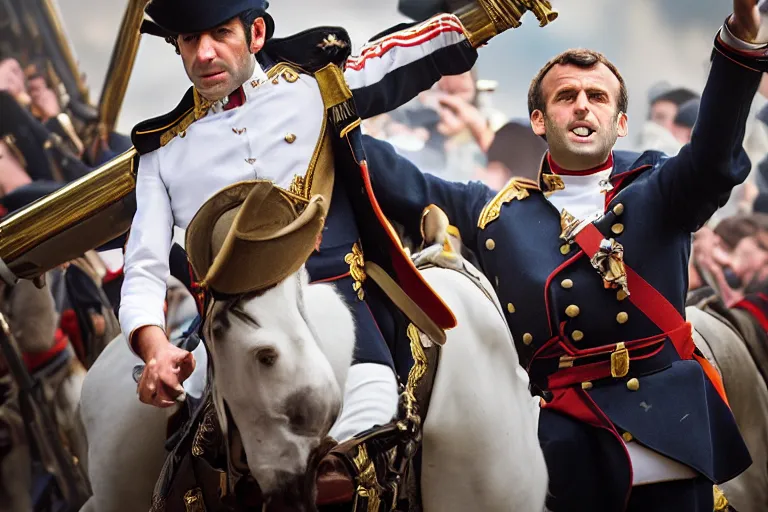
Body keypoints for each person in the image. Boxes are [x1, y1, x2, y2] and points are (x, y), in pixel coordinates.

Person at [361, 1, 765, 509]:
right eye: (566, 96)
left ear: (620, 123)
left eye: (597, 97)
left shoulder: (662, 188)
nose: (581, 106)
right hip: (557, 448)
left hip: (668, 436)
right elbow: (384, 172)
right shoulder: (491, 211)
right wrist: (309, 101)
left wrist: (739, 43)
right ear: (537, 118)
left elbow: (714, 154)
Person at [121, 0, 534, 445]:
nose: (204, 53)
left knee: (375, 415)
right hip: (234, 346)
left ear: (256, 34)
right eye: (189, 39)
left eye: (220, 33)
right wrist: (155, 348)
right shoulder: (161, 151)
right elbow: (144, 267)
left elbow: (402, 54)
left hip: (347, 322)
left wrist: (496, 10)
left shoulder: (318, 82)